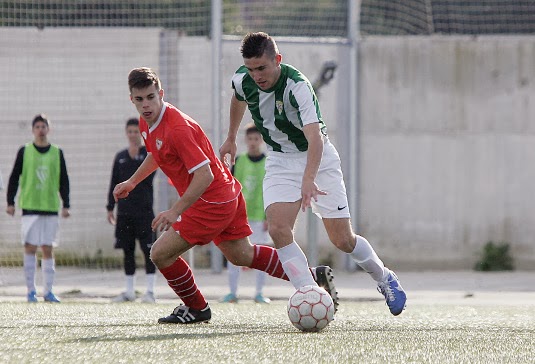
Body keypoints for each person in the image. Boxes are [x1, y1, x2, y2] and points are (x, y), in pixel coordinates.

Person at [113, 67, 336, 324]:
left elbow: (204, 175)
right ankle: (310, 278)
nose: (146, 105)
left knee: (160, 253)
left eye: (151, 97)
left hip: (210, 202)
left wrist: (175, 211)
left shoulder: (177, 129)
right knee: (241, 255)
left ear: (161, 93)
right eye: (139, 99)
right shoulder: (147, 122)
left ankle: (196, 308)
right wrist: (132, 181)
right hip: (224, 193)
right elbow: (157, 153)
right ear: (132, 99)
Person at [219, 32, 407, 316]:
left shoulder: (298, 86)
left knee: (342, 240)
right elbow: (238, 98)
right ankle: (310, 293)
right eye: (251, 69)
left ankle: (384, 277)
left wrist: (308, 178)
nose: (256, 75)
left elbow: (315, 139)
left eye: (262, 68)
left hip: (318, 160)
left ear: (277, 60)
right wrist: (231, 136)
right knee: (279, 229)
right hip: (281, 161)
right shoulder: (242, 80)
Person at [6, 114, 70, 303]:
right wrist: (10, 202)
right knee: (30, 247)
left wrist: (66, 204)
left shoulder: (57, 152)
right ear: (33, 130)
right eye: (38, 127)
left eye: (44, 126)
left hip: (50, 207)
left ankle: (48, 291)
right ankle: (30, 291)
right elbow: (14, 177)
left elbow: (64, 180)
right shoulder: (24, 151)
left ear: (48, 129)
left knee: (48, 248)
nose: (41, 130)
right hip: (30, 208)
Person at [220, 123, 272, 304]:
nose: (253, 142)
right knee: (234, 254)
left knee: (260, 255)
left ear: (261, 140)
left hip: (260, 217)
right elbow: (230, 187)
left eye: (256, 139)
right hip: (239, 216)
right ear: (245, 140)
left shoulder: (268, 163)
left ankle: (259, 293)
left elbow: (271, 190)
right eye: (250, 139)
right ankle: (232, 293)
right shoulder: (239, 161)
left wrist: (269, 216)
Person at [106, 118, 157, 303]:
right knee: (127, 251)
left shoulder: (149, 155)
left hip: (144, 212)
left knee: (149, 251)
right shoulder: (120, 157)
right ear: (126, 133)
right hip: (125, 213)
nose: (133, 135)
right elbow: (113, 182)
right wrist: (110, 207)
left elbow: (149, 178)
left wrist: (138, 157)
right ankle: (129, 291)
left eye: (136, 131)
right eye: (130, 132)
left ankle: (150, 291)